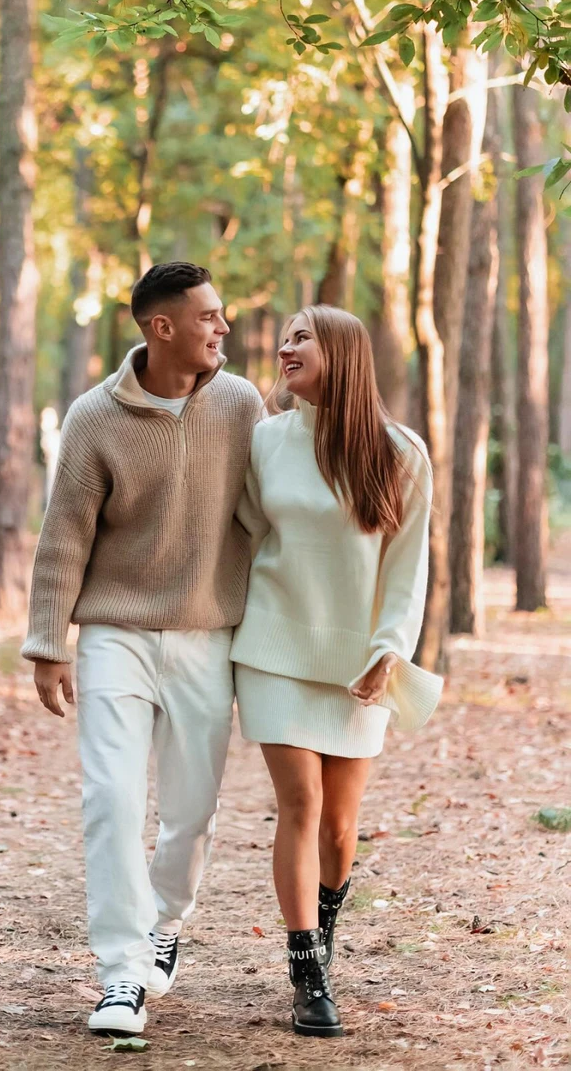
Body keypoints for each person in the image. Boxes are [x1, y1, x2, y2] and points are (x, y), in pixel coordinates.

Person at [21, 262, 263, 1037]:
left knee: (190, 813)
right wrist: (47, 642)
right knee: (112, 803)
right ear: (161, 328)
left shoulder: (240, 404)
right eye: (207, 317)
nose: (222, 328)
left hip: (207, 634)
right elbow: (64, 535)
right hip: (116, 634)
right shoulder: (95, 418)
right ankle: (121, 976)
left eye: (221, 315)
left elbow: (269, 514)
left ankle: (165, 920)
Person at [231, 304, 442, 1039]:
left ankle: (323, 935)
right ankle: (307, 972)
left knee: (342, 827)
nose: (285, 348)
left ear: (343, 352)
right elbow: (248, 537)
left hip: (360, 661)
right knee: (300, 804)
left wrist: (390, 650)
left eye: (301, 338)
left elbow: (407, 569)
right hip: (273, 649)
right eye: (284, 338)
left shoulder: (400, 451)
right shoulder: (263, 442)